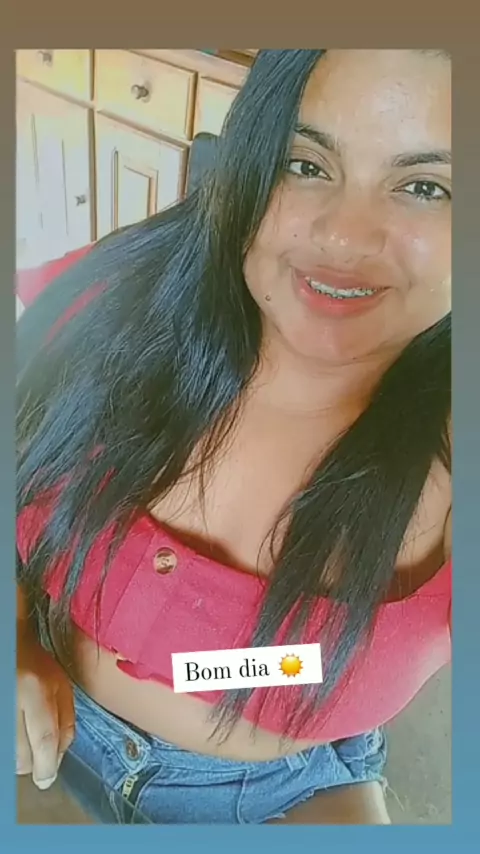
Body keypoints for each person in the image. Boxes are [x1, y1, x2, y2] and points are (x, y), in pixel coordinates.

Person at [16, 49, 451, 825]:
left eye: (426, 187)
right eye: (305, 165)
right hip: (43, 725)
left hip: (277, 795)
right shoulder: (116, 297)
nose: (342, 236)